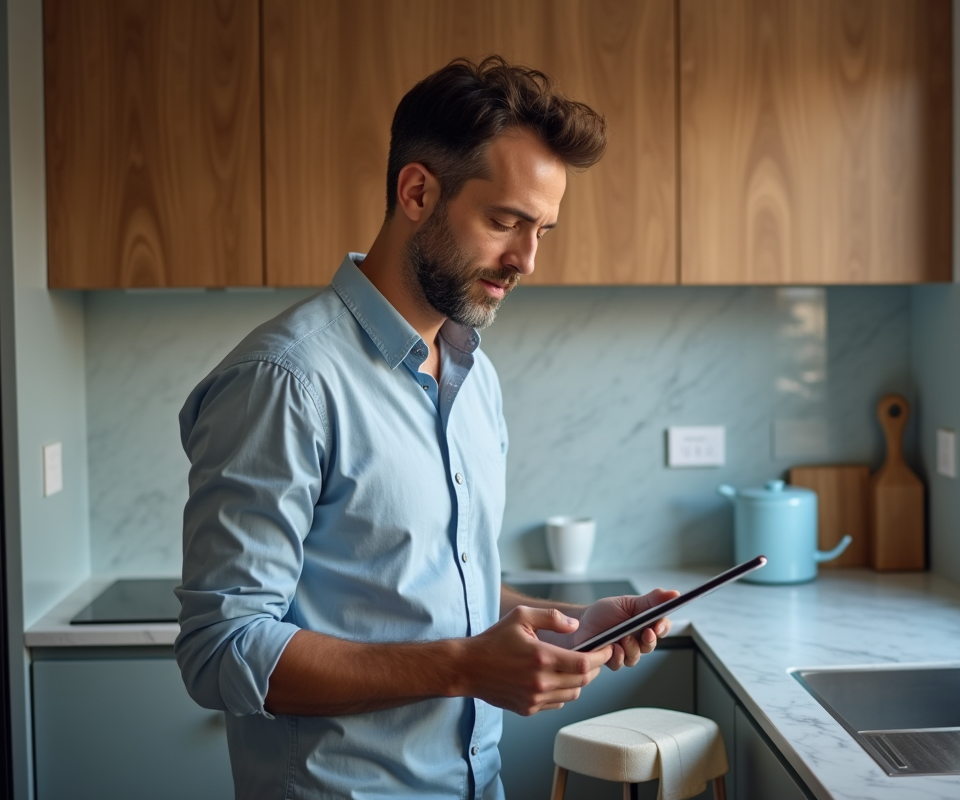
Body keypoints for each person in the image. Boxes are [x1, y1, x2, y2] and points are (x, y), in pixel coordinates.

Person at [174, 56, 680, 799]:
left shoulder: (473, 374)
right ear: (417, 191)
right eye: (505, 222)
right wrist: (466, 667)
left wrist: (574, 624)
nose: (527, 259)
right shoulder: (286, 381)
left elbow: (432, 585)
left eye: (541, 230)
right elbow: (222, 650)